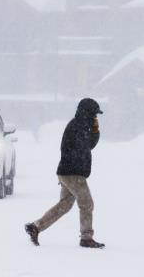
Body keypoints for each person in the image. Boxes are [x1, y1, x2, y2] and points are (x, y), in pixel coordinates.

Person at [25, 98, 105, 249]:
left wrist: (95, 131)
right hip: (73, 173)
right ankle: (86, 238)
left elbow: (88, 146)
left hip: (67, 172)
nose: (95, 117)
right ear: (87, 112)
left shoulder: (79, 125)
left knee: (65, 205)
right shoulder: (78, 127)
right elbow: (85, 147)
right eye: (94, 114)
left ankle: (36, 227)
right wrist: (94, 132)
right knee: (87, 204)